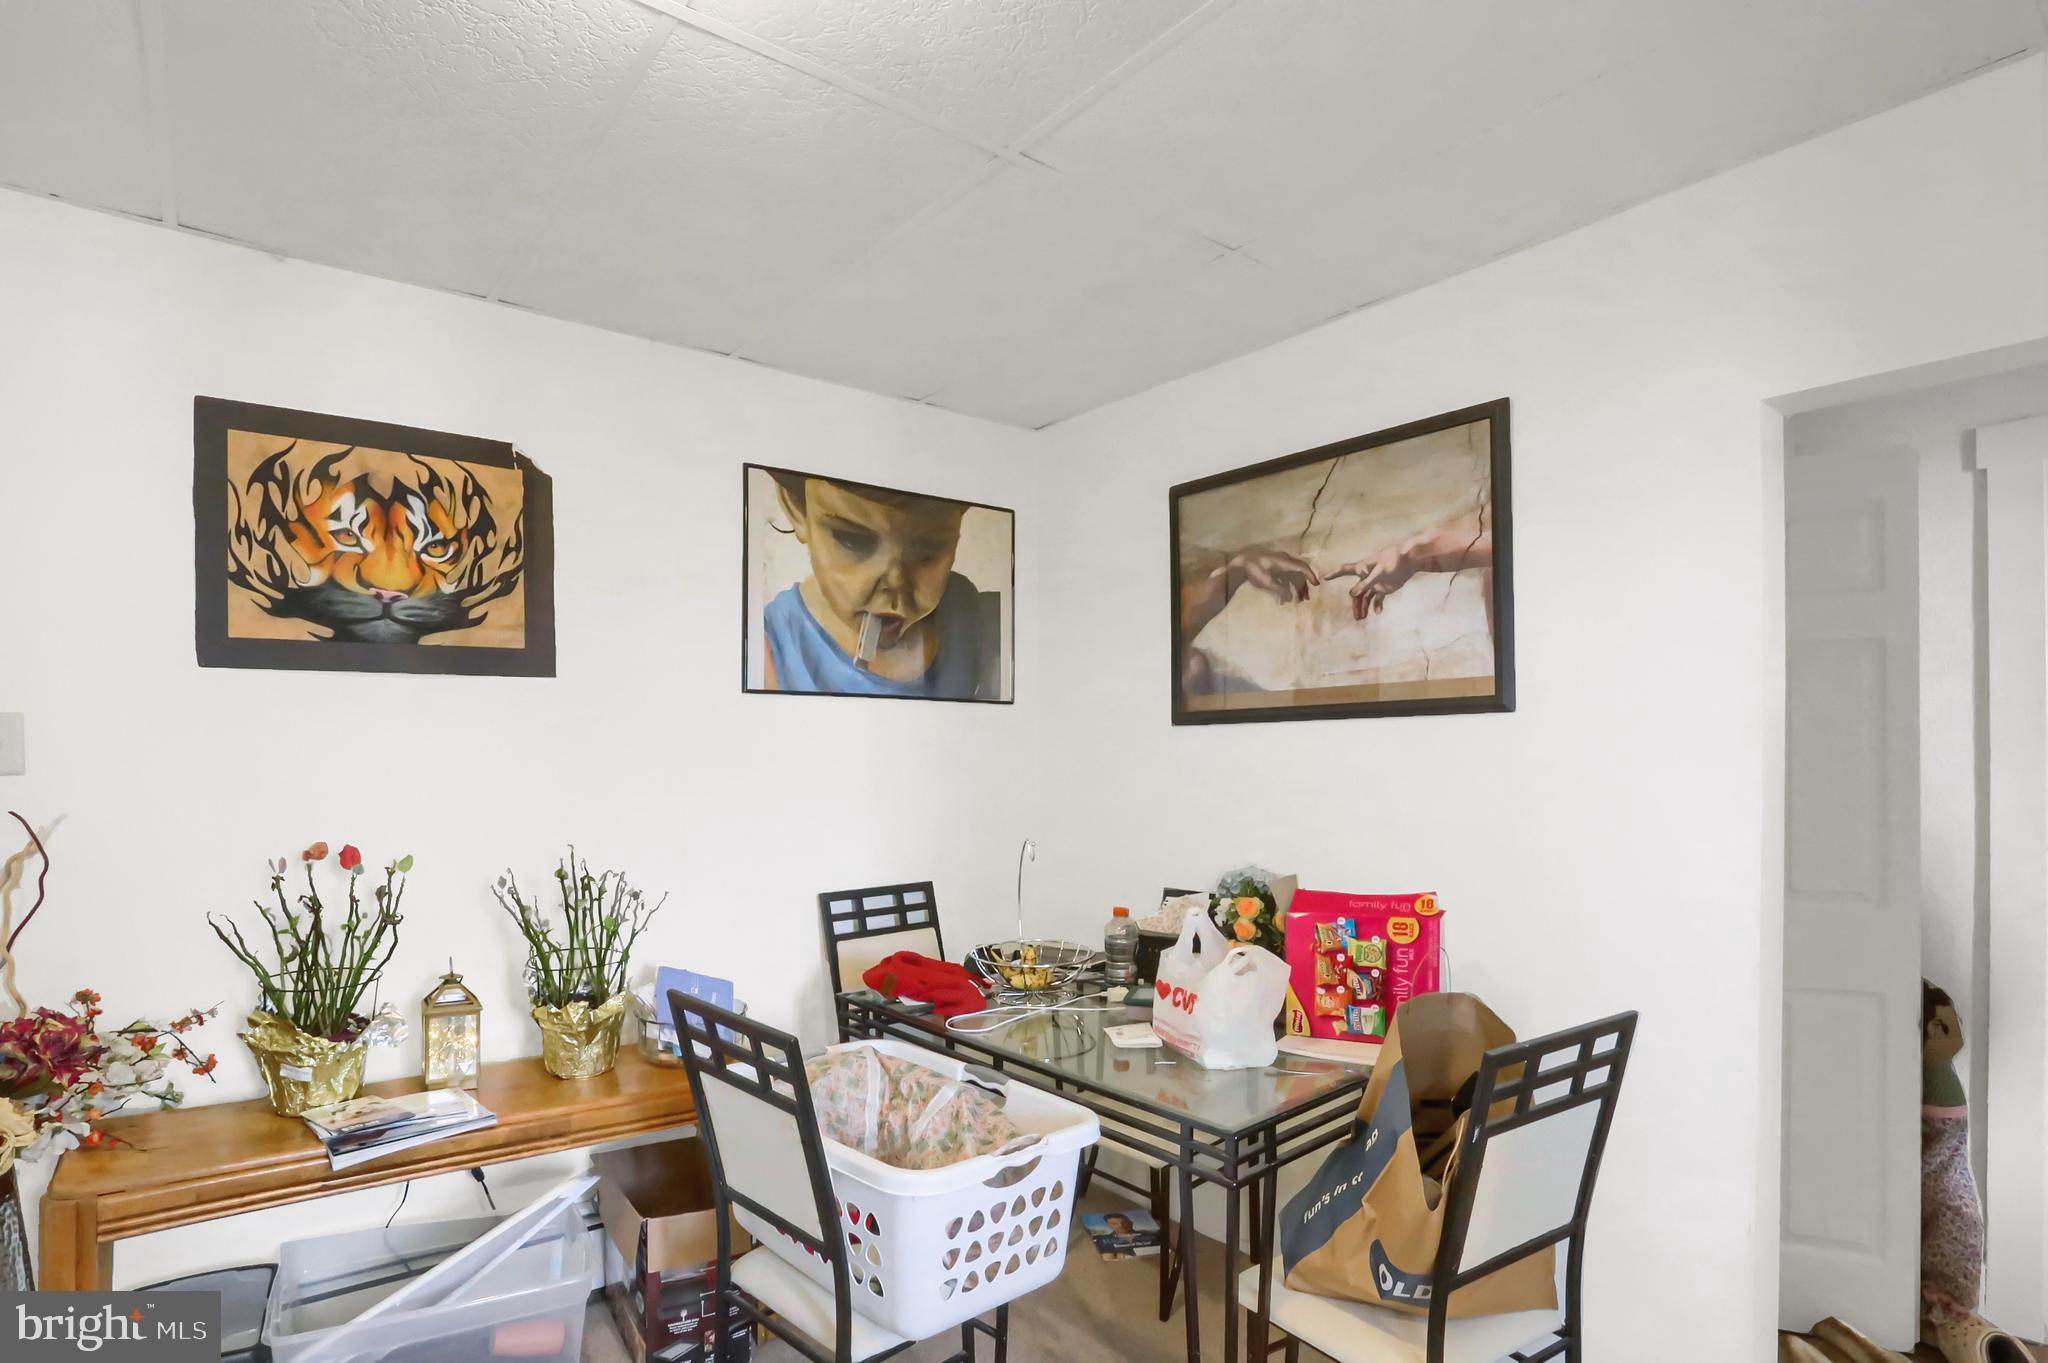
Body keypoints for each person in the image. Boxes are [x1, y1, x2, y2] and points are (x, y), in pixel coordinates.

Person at [760, 471, 1002, 699]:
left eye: (928, 550)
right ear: (797, 508)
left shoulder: (979, 624)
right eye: (853, 541)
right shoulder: (772, 651)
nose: (896, 581)